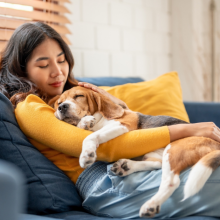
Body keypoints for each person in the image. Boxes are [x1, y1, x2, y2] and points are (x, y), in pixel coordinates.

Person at [1, 22, 220, 219]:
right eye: (43, 65)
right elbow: (105, 148)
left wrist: (110, 101)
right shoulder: (29, 107)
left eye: (61, 60)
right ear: (22, 70)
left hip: (137, 167)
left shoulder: (78, 94)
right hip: (105, 182)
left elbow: (125, 121)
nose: (58, 72)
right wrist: (188, 130)